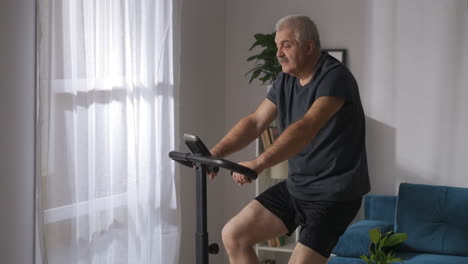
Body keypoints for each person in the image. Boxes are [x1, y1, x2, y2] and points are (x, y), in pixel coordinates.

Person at [209, 15, 370, 264]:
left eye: (286, 45)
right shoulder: (285, 79)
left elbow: (307, 127)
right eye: (277, 46)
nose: (278, 53)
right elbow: (255, 122)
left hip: (333, 195)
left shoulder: (335, 78)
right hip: (297, 187)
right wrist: (216, 153)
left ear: (308, 46)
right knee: (234, 235)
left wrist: (259, 163)